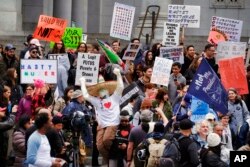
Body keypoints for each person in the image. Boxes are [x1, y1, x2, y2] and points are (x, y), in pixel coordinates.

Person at [80, 68, 124, 164]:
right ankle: (109, 158)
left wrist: (118, 74)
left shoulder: (114, 98)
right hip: (101, 125)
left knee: (107, 140)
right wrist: (82, 83)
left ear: (107, 90)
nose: (102, 92)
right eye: (100, 90)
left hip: (112, 123)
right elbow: (86, 96)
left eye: (103, 90)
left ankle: (111, 158)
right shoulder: (97, 101)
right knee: (99, 146)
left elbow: (120, 87)